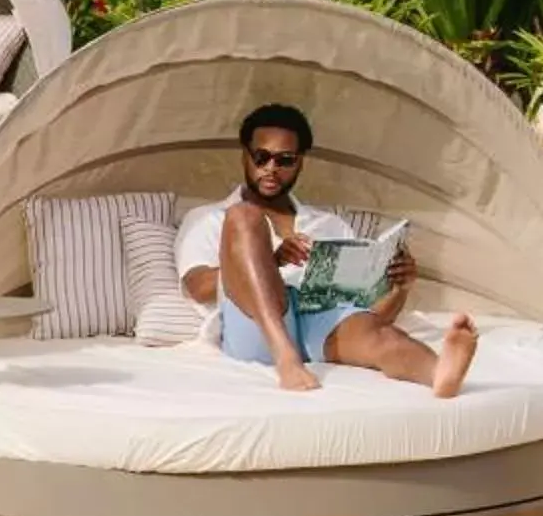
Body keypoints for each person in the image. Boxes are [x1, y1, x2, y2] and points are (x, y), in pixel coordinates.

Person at [175, 103, 478, 397]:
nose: (271, 169)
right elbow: (197, 287)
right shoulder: (212, 218)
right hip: (255, 329)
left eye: (284, 160)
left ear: (300, 162)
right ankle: (286, 357)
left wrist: (400, 288)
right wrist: (270, 262)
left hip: (318, 321)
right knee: (246, 216)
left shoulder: (330, 225)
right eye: (261, 157)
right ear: (245, 155)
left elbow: (370, 313)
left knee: (378, 335)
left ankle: (440, 374)